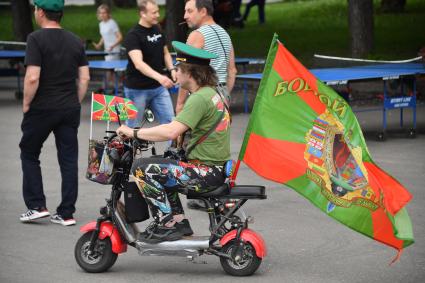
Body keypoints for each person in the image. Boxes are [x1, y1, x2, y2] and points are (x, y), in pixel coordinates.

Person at [116, 41, 231, 242]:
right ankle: (178, 222)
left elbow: (171, 130)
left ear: (189, 72)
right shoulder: (212, 92)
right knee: (163, 164)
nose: (174, 73)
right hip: (214, 169)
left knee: (142, 168)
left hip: (205, 172)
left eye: (177, 69)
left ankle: (166, 224)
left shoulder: (199, 98)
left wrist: (133, 132)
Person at [19, 0, 90, 226]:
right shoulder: (75, 41)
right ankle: (66, 213)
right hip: (68, 107)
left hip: (42, 107)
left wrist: (26, 103)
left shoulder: (35, 39)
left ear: (40, 12)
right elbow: (85, 78)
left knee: (29, 153)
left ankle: (37, 205)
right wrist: (75, 101)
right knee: (68, 159)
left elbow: (32, 77)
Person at [178, 0, 236, 210]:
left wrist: (181, 103)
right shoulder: (224, 34)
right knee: (217, 142)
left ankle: (199, 193)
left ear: (203, 11)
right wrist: (224, 95)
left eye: (189, 11)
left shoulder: (197, 35)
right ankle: (221, 189)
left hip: (203, 92)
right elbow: (232, 71)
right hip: (221, 94)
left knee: (193, 144)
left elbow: (188, 70)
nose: (185, 16)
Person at [123, 0, 175, 128]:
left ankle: (172, 149)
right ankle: (128, 148)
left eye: (158, 11)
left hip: (158, 88)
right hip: (137, 90)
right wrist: (161, 77)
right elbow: (138, 64)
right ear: (143, 13)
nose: (158, 15)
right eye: (154, 12)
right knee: (132, 127)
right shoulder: (133, 35)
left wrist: (172, 69)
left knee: (171, 124)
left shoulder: (157, 29)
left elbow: (165, 53)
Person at [92, 4, 123, 89]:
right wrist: (99, 44)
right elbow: (104, 36)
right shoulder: (101, 24)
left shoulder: (112, 23)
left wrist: (112, 46)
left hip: (114, 50)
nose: (102, 15)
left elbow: (120, 37)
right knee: (111, 70)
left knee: (109, 69)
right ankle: (118, 86)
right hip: (107, 50)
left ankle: (104, 87)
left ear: (108, 13)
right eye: (100, 13)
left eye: (104, 13)